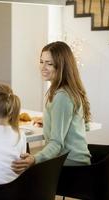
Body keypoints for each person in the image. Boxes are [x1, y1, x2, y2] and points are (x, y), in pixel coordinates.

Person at [11, 41, 92, 174]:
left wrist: (34, 159)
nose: (43, 67)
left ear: (62, 67)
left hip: (70, 164)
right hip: (78, 159)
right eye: (41, 61)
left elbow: (56, 143)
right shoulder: (70, 90)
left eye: (49, 63)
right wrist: (52, 121)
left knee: (20, 173)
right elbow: (84, 126)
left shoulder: (62, 96)